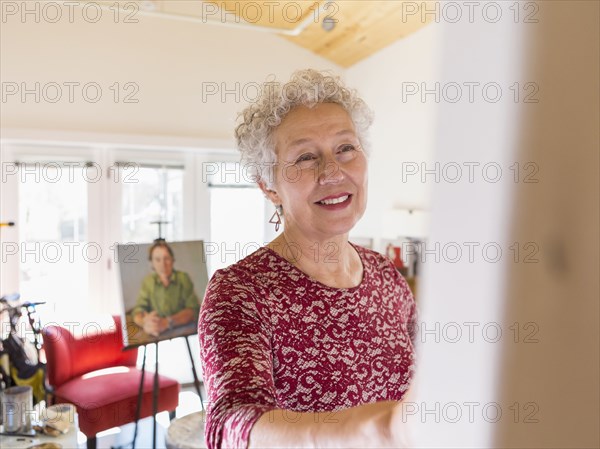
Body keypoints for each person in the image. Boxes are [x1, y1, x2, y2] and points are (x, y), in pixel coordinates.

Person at [198, 69, 418, 449]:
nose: (333, 171)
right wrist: (375, 431)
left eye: (346, 148)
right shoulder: (240, 292)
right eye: (305, 157)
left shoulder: (385, 275)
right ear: (269, 185)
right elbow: (231, 424)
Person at [132, 241, 200, 337]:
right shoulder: (148, 281)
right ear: (152, 263)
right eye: (157, 259)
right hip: (156, 333)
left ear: (172, 260)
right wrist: (145, 322)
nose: (162, 264)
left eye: (166, 258)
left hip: (181, 329)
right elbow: (138, 310)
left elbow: (193, 310)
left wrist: (167, 322)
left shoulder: (183, 278)